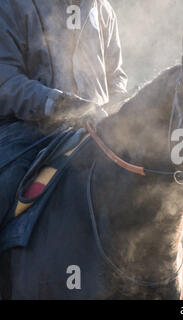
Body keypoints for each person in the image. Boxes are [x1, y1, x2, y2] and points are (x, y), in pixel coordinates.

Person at [0, 0, 127, 226]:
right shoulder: (11, 5)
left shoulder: (102, 9)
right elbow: (6, 82)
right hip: (27, 134)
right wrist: (61, 105)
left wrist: (118, 113)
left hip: (97, 136)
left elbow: (115, 77)